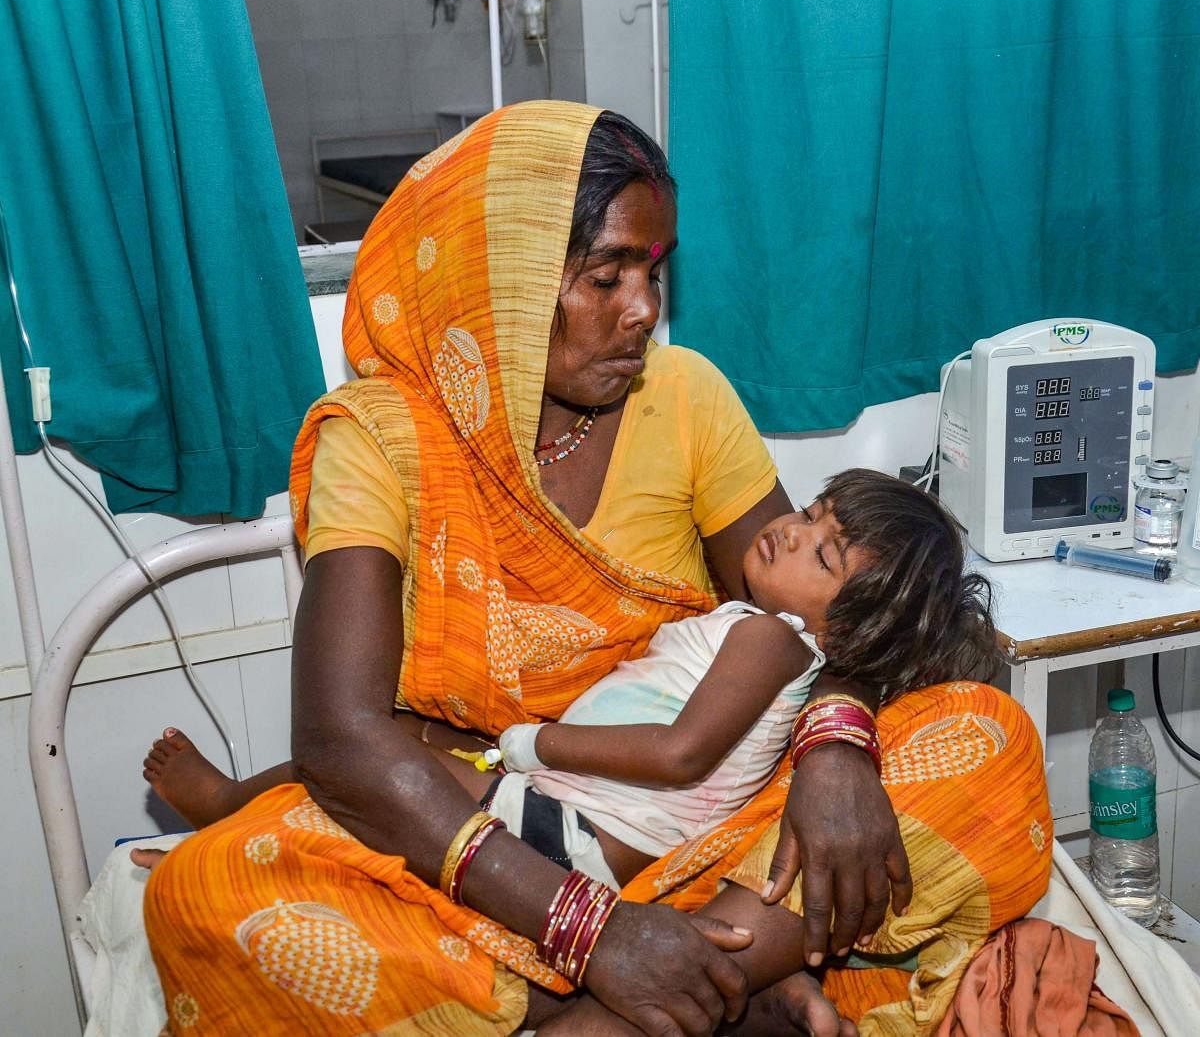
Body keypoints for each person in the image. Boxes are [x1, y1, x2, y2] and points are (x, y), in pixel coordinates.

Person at [144, 102, 1052, 1037]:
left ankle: (665, 985)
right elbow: (340, 739)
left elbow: (839, 606)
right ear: (499, 278)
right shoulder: (386, 441)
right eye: (605, 275)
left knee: (988, 737)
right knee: (203, 889)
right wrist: (595, 934)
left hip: (699, 839)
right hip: (490, 852)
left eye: (652, 274)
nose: (644, 312)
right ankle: (719, 985)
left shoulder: (686, 398)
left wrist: (836, 745)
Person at [143, 469, 998, 901]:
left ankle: (227, 807)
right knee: (416, 734)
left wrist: (533, 743)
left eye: (824, 553)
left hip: (574, 840)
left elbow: (678, 753)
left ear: (847, 629)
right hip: (564, 810)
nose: (790, 529)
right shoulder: (763, 632)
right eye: (813, 512)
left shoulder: (771, 642)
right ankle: (239, 811)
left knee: (378, 754)